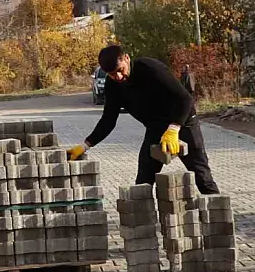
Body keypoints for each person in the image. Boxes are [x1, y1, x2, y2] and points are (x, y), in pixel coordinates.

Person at [67, 45, 220, 195]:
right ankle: (142, 212)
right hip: (156, 129)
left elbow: (185, 99)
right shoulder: (113, 86)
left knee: (203, 177)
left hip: (183, 123)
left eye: (120, 70)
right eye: (112, 74)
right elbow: (108, 120)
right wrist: (85, 145)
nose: (118, 77)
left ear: (126, 58)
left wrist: (174, 128)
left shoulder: (150, 68)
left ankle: (217, 209)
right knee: (143, 181)